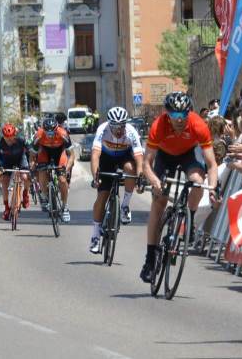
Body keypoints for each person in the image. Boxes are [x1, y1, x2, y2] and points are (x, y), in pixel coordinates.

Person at [139, 91, 218, 283]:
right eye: (175, 115)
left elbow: (212, 164)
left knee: (198, 181)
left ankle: (188, 217)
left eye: (184, 114)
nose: (180, 120)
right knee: (159, 202)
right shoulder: (159, 126)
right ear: (168, 114)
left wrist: (214, 187)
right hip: (164, 158)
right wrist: (154, 181)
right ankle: (150, 259)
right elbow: (146, 164)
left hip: (187, 155)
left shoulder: (198, 124)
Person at [88, 107, 144, 254]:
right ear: (109, 124)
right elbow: (95, 155)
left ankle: (124, 206)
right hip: (106, 159)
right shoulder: (102, 130)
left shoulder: (131, 132)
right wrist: (95, 177)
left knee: (131, 169)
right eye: (115, 126)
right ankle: (95, 235)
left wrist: (140, 178)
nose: (119, 129)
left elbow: (139, 158)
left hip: (124, 156)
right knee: (102, 197)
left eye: (121, 126)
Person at [31, 117, 72, 222]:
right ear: (43, 130)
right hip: (44, 153)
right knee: (41, 171)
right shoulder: (38, 135)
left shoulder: (63, 134)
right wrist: (32, 165)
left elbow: (72, 156)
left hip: (60, 153)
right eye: (47, 133)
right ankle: (44, 196)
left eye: (52, 133)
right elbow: (32, 155)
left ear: (57, 129)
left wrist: (67, 168)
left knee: (62, 180)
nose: (50, 136)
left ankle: (65, 207)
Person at [0, 123, 31, 221]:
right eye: (7, 138)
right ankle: (7, 207)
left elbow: (29, 149)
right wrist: (0, 166)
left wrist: (30, 164)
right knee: (4, 180)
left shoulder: (21, 140)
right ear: (3, 136)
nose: (9, 140)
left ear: (14, 135)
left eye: (11, 137)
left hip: (20, 159)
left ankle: (25, 193)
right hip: (6, 161)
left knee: (25, 177)